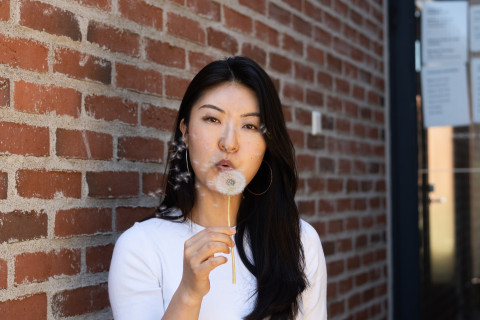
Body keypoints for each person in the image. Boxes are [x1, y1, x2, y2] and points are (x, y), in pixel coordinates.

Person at [108, 56, 327, 320]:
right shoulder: (140, 247)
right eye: (212, 119)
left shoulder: (299, 241)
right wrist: (189, 293)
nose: (229, 143)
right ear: (186, 132)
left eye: (249, 125)